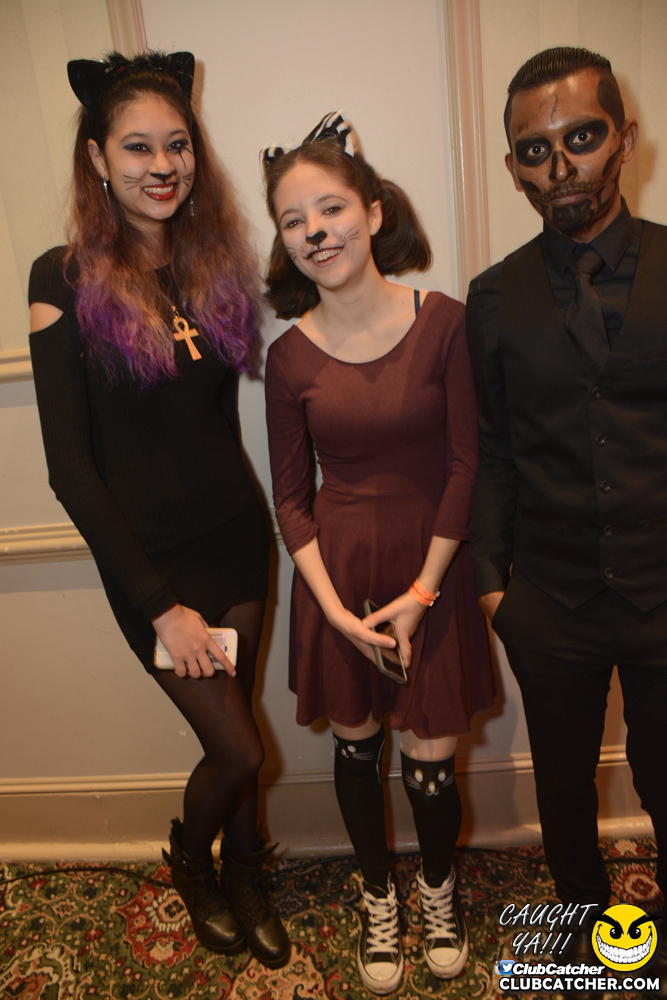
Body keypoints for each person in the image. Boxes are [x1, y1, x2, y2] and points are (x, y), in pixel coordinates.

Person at [28, 50, 289, 969]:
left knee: (242, 725)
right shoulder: (59, 279)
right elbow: (70, 469)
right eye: (137, 147)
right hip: (151, 564)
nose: (162, 165)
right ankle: (191, 860)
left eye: (177, 144)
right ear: (97, 158)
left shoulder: (213, 265)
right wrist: (159, 606)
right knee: (238, 750)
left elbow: (211, 422)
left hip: (235, 538)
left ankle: (248, 872)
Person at [262, 111, 495, 994]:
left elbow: (467, 464)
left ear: (372, 210)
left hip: (431, 571)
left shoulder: (445, 323)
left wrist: (423, 594)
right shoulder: (288, 359)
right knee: (357, 751)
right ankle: (375, 896)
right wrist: (332, 612)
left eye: (331, 208)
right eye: (293, 220)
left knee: (431, 764)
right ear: (284, 242)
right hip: (339, 580)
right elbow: (290, 499)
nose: (316, 231)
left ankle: (436, 891)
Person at [466, 47, 667, 997]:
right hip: (549, 601)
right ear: (513, 167)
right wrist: (493, 589)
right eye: (533, 150)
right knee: (561, 785)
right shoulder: (491, 297)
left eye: (579, 137)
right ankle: (589, 941)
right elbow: (491, 452)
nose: (559, 166)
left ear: (622, 138)